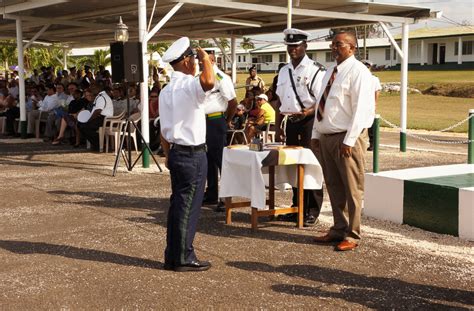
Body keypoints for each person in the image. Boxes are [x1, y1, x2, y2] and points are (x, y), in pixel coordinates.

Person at [311, 32, 375, 251]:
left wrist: (349, 140)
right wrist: (315, 134)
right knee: (334, 185)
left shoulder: (359, 72)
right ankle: (339, 227)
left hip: (347, 138)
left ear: (352, 48)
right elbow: (322, 103)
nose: (334, 48)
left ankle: (353, 234)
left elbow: (362, 110)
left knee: (352, 188)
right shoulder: (330, 72)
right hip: (328, 137)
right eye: (333, 44)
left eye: (339, 44)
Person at [159, 37, 215, 272]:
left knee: (177, 206)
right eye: (192, 58)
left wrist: (167, 155)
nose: (195, 61)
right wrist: (205, 60)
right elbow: (209, 81)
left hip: (176, 151)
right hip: (192, 154)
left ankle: (173, 255)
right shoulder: (189, 85)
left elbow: (163, 129)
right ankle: (183, 256)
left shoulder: (166, 90)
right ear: (185, 61)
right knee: (188, 207)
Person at [274, 28, 326, 227]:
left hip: (309, 123)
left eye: (296, 46)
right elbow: (279, 100)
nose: (292, 50)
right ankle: (297, 208)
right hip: (291, 124)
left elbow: (322, 101)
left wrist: (306, 114)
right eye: (289, 46)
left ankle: (312, 210)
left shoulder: (315, 70)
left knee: (311, 166)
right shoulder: (284, 70)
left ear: (305, 46)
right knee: (294, 167)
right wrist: (278, 126)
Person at [201, 49, 238, 212]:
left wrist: (227, 120)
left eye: (206, 61)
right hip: (202, 122)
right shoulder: (200, 77)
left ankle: (225, 197)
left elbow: (233, 102)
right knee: (207, 159)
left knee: (221, 160)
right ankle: (212, 194)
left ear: (213, 61)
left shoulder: (221, 77)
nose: (203, 64)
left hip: (216, 120)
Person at [77, 84, 113, 151]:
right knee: (80, 125)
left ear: (98, 88)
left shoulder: (102, 97)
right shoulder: (99, 96)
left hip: (104, 119)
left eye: (93, 88)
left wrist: (89, 120)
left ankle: (100, 144)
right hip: (100, 118)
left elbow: (97, 111)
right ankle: (97, 144)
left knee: (85, 126)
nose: (91, 90)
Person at [362, 60, 382, 151]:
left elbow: (377, 91)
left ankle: (373, 144)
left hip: (369, 104)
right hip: (358, 104)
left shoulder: (374, 78)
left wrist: (375, 103)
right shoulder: (359, 77)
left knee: (371, 125)